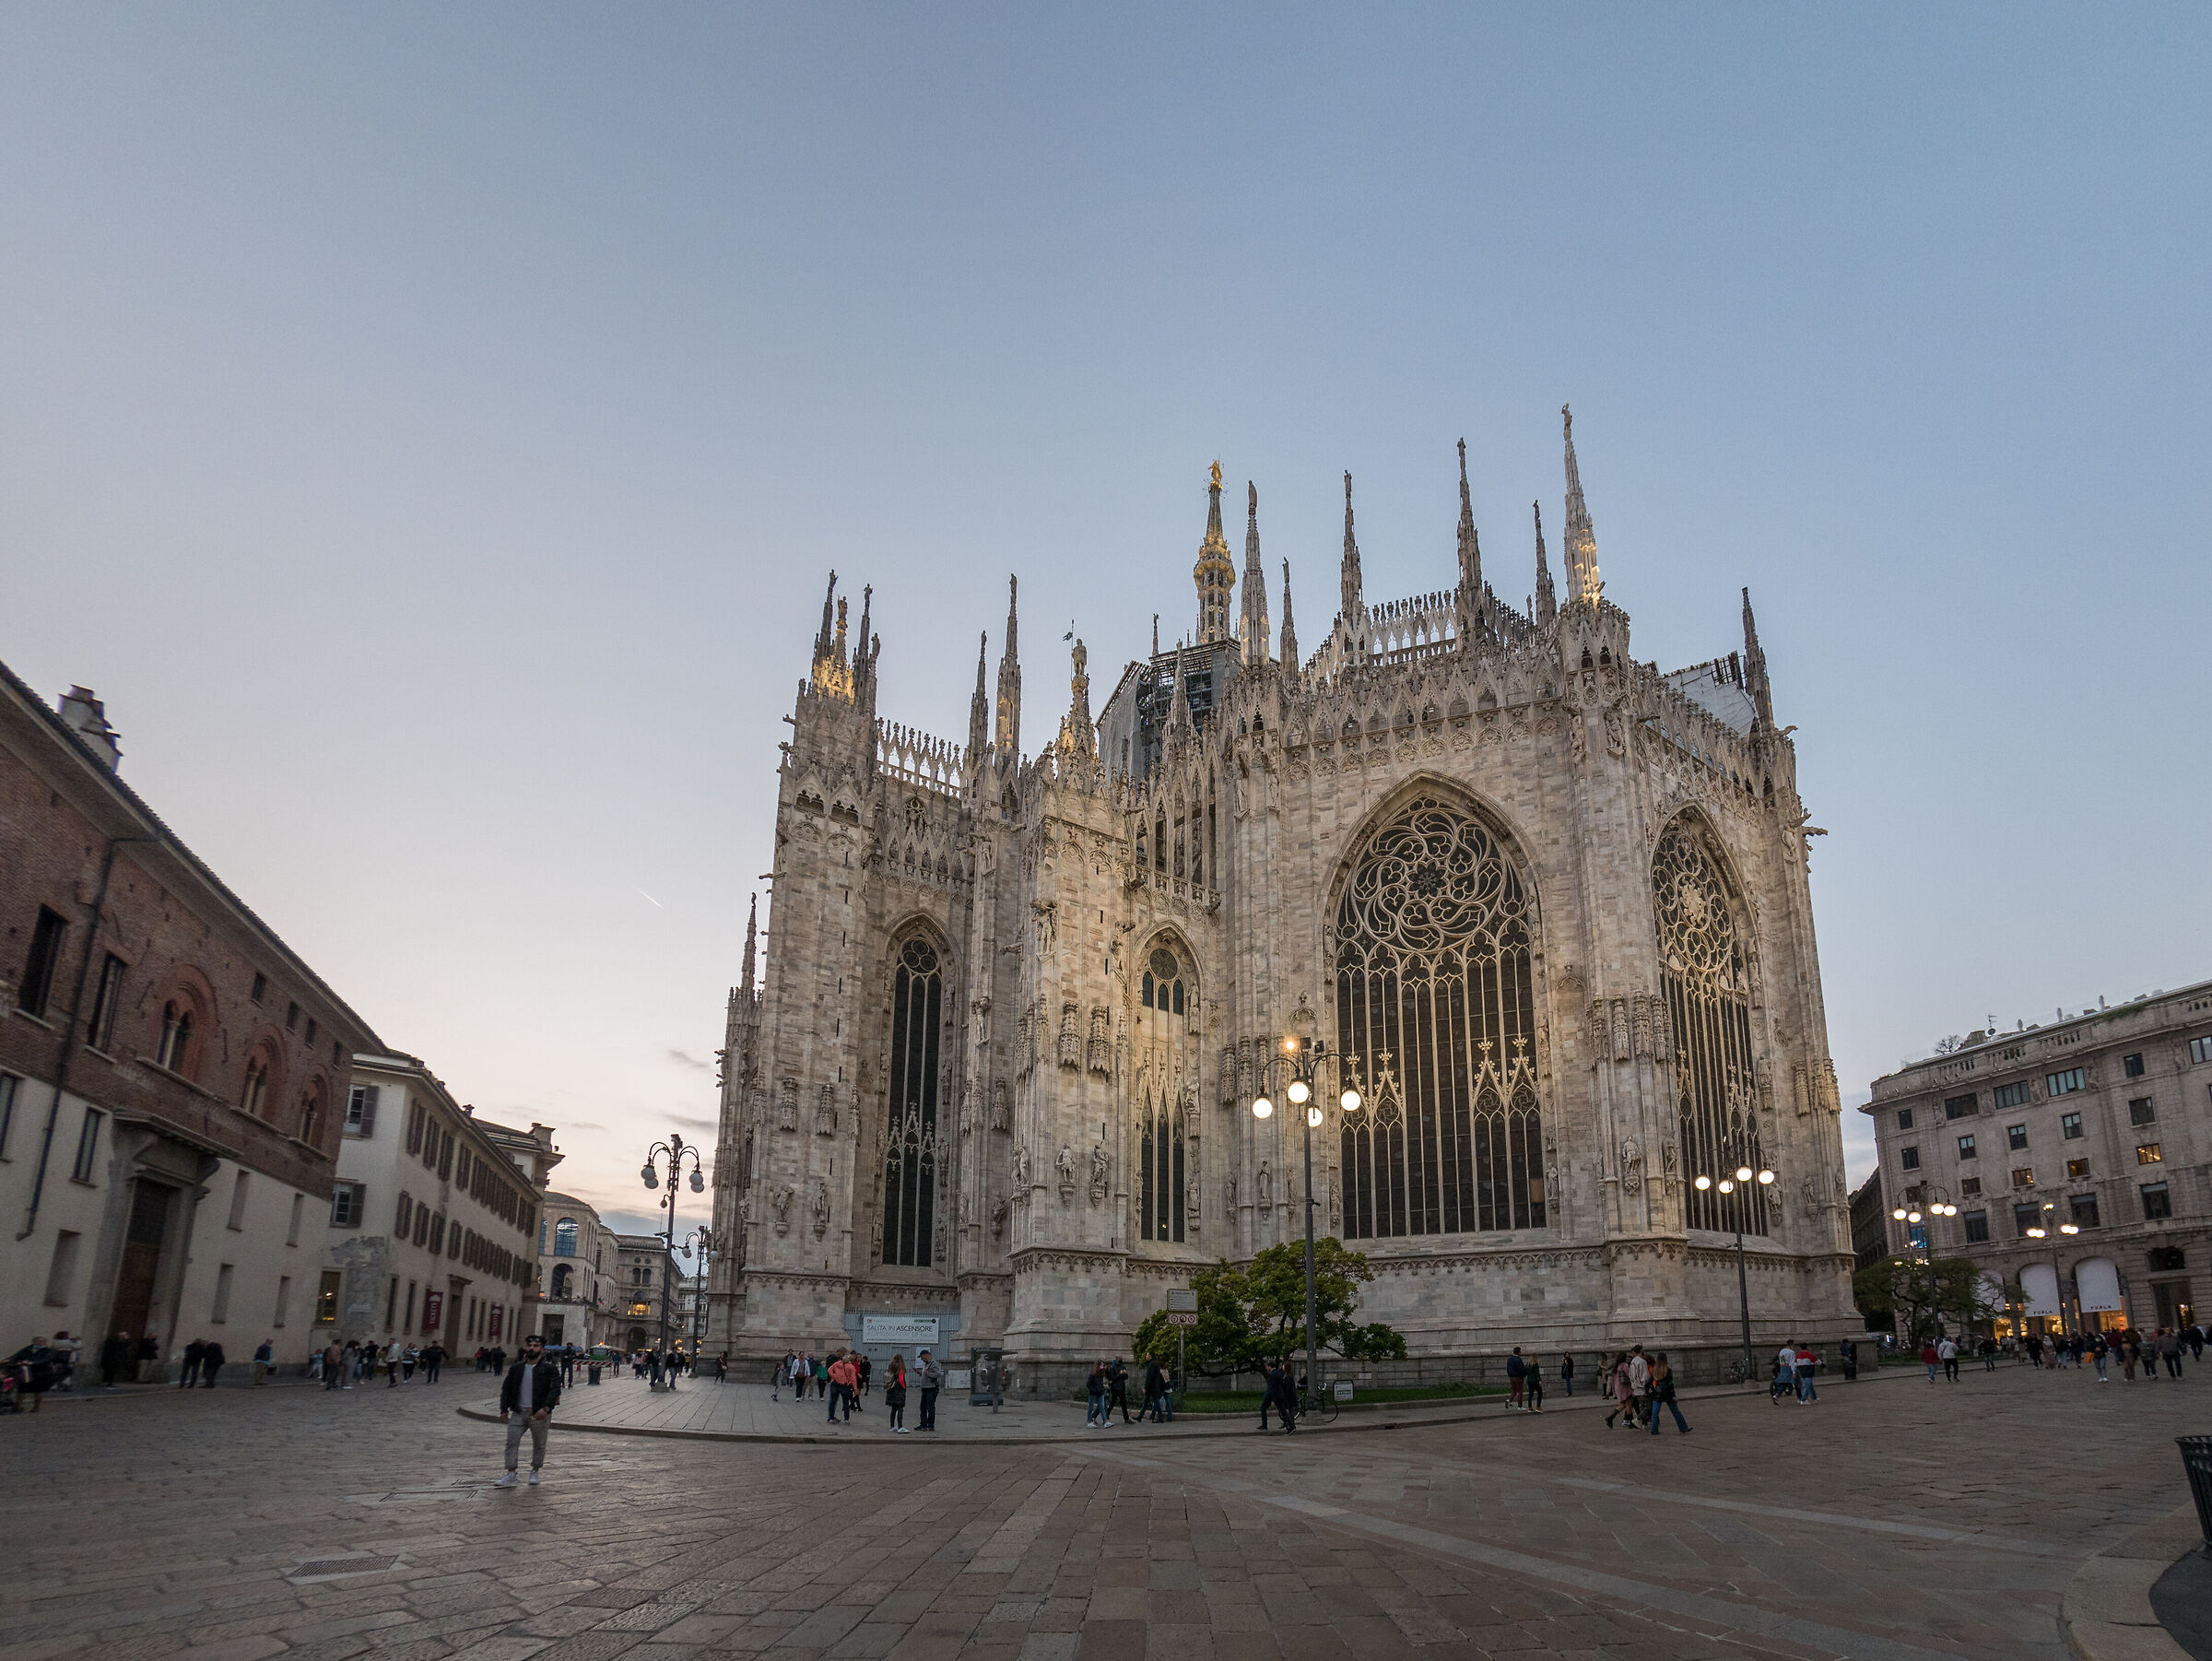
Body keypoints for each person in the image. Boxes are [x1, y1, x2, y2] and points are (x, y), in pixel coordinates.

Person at [495, 1335, 561, 1487]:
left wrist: (546, 1408)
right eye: (529, 1345)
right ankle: (511, 1473)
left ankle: (535, 1470)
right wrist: (503, 1409)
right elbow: (506, 1389)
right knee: (511, 1441)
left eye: (535, 1346)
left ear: (542, 1350)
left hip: (538, 1413)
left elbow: (555, 1389)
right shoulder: (516, 1368)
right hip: (518, 1411)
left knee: (539, 1444)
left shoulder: (549, 1369)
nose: (532, 1348)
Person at [8, 1337, 58, 1412]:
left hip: (41, 1373)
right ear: (34, 1342)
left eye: (43, 1341)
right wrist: (10, 1360)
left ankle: (36, 1407)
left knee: (38, 1390)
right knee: (21, 1389)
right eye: (38, 1341)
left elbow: (46, 1360)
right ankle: (17, 1407)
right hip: (26, 1372)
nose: (41, 1343)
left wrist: (32, 1363)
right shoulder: (28, 1349)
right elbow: (17, 1355)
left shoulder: (49, 1351)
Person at [1647, 1353, 1691, 1434]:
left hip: (1657, 1393)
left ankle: (1654, 1430)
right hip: (1667, 1394)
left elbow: (1648, 1383)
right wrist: (1673, 1395)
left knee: (1655, 1412)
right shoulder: (1668, 1370)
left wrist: (1650, 1392)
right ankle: (1683, 1428)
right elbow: (1670, 1385)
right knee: (1675, 1411)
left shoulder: (1654, 1370)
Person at [916, 1349, 943, 1431]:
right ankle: (923, 1424)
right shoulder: (926, 1364)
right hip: (924, 1389)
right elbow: (926, 1374)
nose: (921, 1359)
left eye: (921, 1357)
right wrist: (920, 1373)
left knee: (930, 1407)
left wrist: (927, 1373)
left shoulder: (934, 1363)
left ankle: (930, 1425)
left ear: (926, 1355)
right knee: (922, 1407)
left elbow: (938, 1374)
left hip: (931, 1389)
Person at [885, 1353, 910, 1432]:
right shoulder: (900, 1368)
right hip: (899, 1391)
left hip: (891, 1389)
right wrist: (904, 1388)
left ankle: (892, 1426)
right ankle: (900, 1427)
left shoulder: (891, 1366)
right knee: (900, 1409)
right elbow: (901, 1380)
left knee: (893, 1409)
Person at [1142, 1353, 1169, 1424]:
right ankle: (1140, 1417)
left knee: (1156, 1403)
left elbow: (1149, 1377)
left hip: (1152, 1388)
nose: (1146, 1356)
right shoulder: (1155, 1364)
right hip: (1154, 1387)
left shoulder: (1152, 1364)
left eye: (1147, 1355)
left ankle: (1160, 1418)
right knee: (1146, 1402)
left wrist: (1146, 1387)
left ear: (1150, 1356)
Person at [1108, 1356, 1133, 1423]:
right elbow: (1112, 1378)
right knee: (1112, 1403)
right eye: (1120, 1359)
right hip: (1115, 1388)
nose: (1121, 1360)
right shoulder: (1113, 1368)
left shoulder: (1123, 1366)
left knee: (1124, 1404)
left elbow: (1126, 1378)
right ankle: (1106, 1415)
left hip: (1122, 1388)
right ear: (1116, 1359)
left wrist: (1125, 1373)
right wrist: (1120, 1374)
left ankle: (1126, 1419)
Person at [1087, 1361, 1109, 1428]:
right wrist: (1094, 1390)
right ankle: (1089, 1422)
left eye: (1103, 1365)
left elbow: (1101, 1384)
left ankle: (1105, 1422)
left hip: (1100, 1393)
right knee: (1091, 1408)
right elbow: (1088, 1384)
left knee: (1102, 1408)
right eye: (1102, 1365)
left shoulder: (1101, 1374)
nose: (1103, 1367)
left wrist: (1102, 1390)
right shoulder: (1092, 1374)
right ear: (1098, 1365)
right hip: (1093, 1394)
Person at [1506, 1347, 1526, 1411]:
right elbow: (1521, 1369)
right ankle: (1520, 1406)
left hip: (1511, 1377)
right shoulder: (1518, 1359)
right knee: (1520, 1391)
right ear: (1518, 1352)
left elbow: (1508, 1368)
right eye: (1520, 1351)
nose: (1521, 1352)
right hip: (1518, 1377)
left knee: (1514, 1390)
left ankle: (1509, 1400)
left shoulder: (1509, 1359)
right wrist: (1523, 1375)